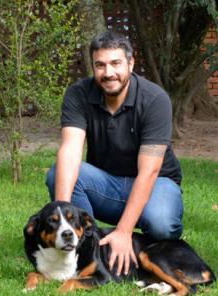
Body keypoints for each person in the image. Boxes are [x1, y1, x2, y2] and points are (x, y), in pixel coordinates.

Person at [45, 31, 183, 276]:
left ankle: (141, 246)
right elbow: (70, 149)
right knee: (58, 174)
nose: (108, 73)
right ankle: (90, 248)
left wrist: (124, 230)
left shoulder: (154, 99)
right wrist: (63, 214)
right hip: (106, 184)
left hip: (156, 183)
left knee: (161, 223)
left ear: (131, 63)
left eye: (116, 63)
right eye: (100, 65)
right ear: (93, 67)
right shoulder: (78, 94)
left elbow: (149, 171)